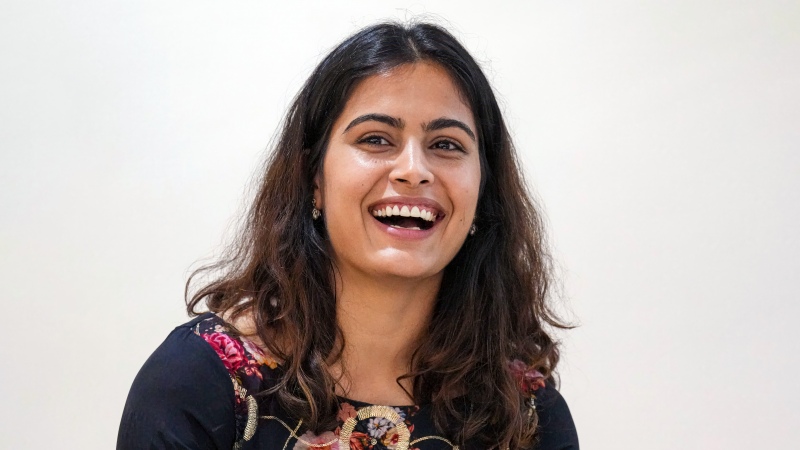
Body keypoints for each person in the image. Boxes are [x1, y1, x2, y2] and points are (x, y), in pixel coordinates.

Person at [118, 21, 578, 450]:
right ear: (312, 178)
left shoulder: (528, 415)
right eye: (376, 139)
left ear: (483, 190)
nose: (414, 171)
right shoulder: (199, 382)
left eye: (446, 145)